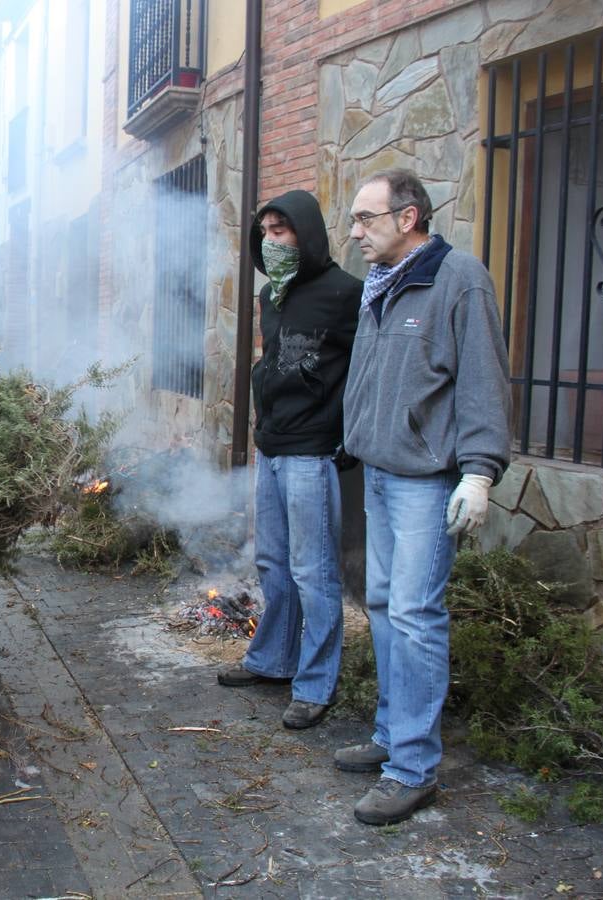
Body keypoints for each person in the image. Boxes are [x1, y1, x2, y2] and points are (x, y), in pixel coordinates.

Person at [338, 169, 511, 825]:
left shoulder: (458, 279)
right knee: (383, 604)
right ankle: (391, 734)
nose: (355, 232)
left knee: (414, 613)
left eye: (365, 218)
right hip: (378, 473)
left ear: (408, 217)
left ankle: (412, 769)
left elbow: (484, 379)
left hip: (424, 481)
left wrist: (480, 470)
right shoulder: (382, 286)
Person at [217, 190, 361, 732]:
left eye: (282, 231)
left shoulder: (346, 293)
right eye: (266, 233)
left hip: (312, 452)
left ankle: (316, 684)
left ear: (307, 234)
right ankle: (273, 659)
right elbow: (271, 364)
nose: (273, 241)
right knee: (274, 562)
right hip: (272, 448)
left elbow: (363, 369)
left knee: (314, 570)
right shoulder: (269, 295)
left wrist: (348, 435)